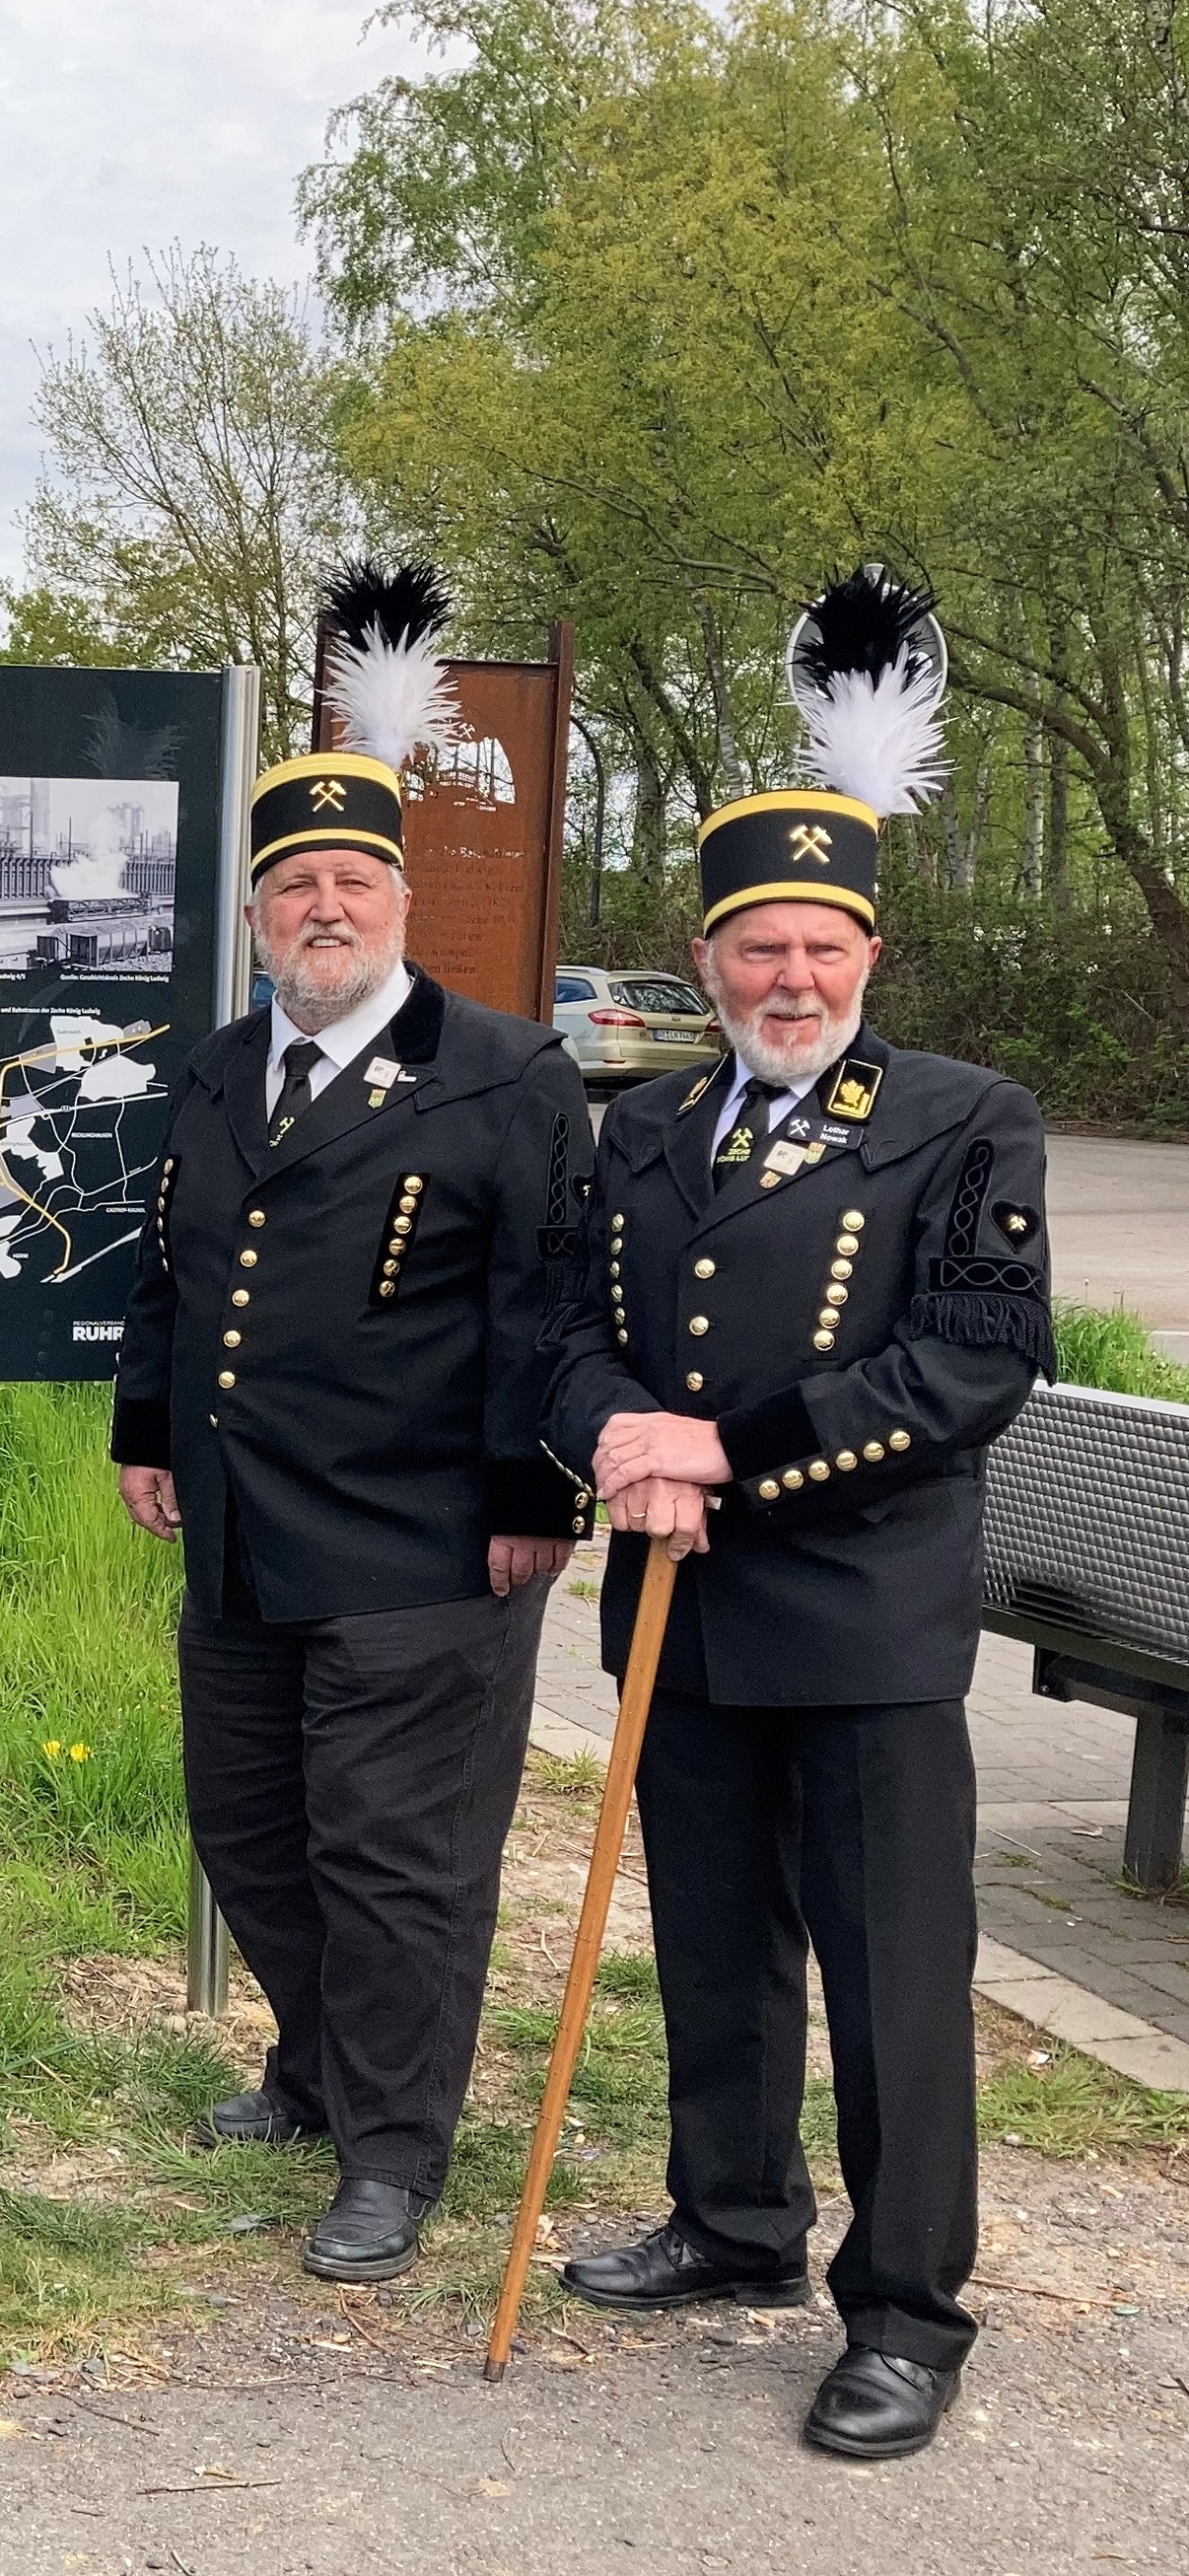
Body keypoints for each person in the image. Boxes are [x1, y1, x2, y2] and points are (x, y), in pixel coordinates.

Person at [542, 570, 1046, 2463]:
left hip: (861, 1617)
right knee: (715, 1939)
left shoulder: (958, 1119)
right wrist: (609, 1435)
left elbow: (962, 1365)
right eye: (752, 948)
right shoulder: (646, 1128)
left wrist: (719, 1454)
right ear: (704, 956)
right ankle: (732, 2216)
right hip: (678, 1613)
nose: (784, 980)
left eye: (815, 948)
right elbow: (563, 1336)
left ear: (866, 953)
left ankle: (905, 2305)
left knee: (890, 1977)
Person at [110, 562, 591, 2287]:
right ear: (255, 914)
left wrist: (533, 1487)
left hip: (421, 1542)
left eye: (350, 879)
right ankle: (313, 2068)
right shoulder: (220, 1068)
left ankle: (392, 2148)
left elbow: (550, 1302)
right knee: (246, 1821)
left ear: (398, 900)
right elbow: (171, 1270)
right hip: (242, 1528)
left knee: (394, 1855)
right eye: (292, 883)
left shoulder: (503, 1073)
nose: (323, 905)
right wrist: (143, 1429)